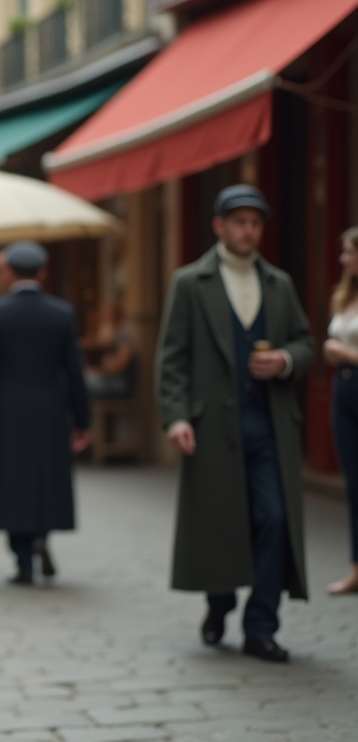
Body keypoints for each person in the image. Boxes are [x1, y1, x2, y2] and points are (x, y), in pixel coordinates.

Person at [156, 184, 313, 663]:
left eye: (256, 222)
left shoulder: (279, 284)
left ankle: (260, 626)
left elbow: (305, 342)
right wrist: (177, 415)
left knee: (273, 519)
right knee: (220, 522)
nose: (249, 230)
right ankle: (218, 601)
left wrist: (286, 359)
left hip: (269, 424)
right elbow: (173, 357)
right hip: (210, 428)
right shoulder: (190, 281)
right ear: (219, 226)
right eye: (240, 221)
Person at [0, 241, 90, 585]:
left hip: (7, 408)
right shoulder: (62, 313)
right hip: (51, 407)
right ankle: (41, 537)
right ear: (44, 272)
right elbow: (74, 372)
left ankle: (22, 560)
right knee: (46, 477)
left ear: (8, 273)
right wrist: (83, 421)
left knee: (11, 479)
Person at [322, 227, 358, 595]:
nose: (343, 259)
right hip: (342, 392)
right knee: (354, 487)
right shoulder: (345, 296)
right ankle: (356, 567)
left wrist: (344, 353)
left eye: (349, 252)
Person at [84, 302, 137, 399]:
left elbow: (120, 365)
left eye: (107, 313)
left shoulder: (123, 337)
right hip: (107, 378)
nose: (104, 315)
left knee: (81, 383)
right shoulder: (106, 332)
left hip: (118, 382)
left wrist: (97, 372)